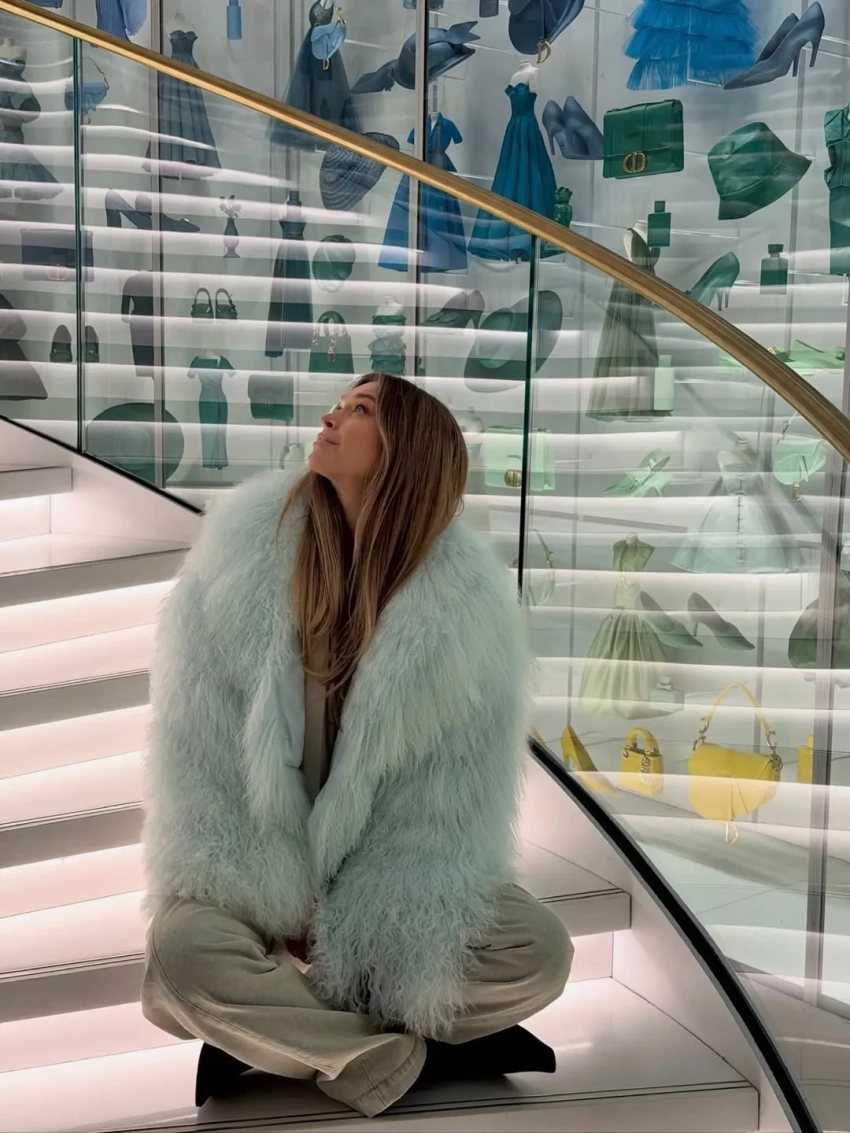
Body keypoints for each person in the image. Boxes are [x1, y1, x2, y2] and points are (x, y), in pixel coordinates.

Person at [140, 372, 573, 1118]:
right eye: (340, 403)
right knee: (181, 958)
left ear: (407, 451)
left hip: (385, 890)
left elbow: (442, 815)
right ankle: (385, 1054)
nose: (332, 416)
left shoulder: (468, 616)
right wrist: (282, 897)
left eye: (360, 409)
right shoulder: (235, 562)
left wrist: (355, 919)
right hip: (254, 868)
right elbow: (199, 766)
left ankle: (284, 1034)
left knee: (538, 951)